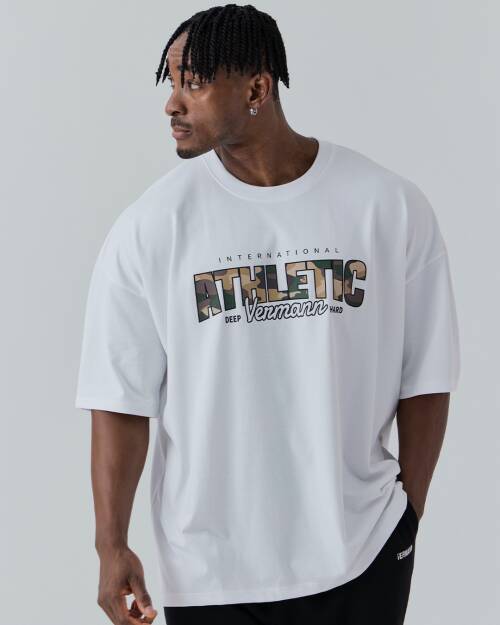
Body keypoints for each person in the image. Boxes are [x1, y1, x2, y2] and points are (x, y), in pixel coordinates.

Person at [74, 4, 461, 624]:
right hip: (211, 573)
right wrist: (110, 544)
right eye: (171, 82)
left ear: (257, 89)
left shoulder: (385, 206)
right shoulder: (151, 227)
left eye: (193, 82)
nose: (172, 103)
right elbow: (119, 399)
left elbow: (427, 377)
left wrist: (407, 517)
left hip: (361, 554)